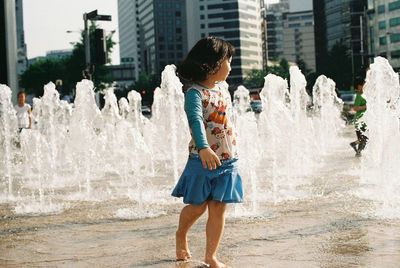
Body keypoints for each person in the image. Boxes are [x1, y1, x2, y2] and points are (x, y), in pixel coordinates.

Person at [171, 36, 243, 268]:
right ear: (211, 64)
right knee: (198, 206)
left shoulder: (223, 89)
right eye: (227, 61)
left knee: (218, 207)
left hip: (227, 159)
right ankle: (181, 234)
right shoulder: (195, 94)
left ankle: (211, 256)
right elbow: (196, 121)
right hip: (202, 159)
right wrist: (203, 147)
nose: (230, 66)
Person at [349, 78, 367, 156]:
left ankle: (357, 151)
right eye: (363, 85)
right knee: (364, 139)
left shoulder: (362, 95)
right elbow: (355, 108)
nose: (365, 86)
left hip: (363, 120)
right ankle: (356, 149)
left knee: (363, 139)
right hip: (359, 120)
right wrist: (365, 107)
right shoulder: (359, 96)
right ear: (359, 86)